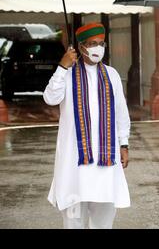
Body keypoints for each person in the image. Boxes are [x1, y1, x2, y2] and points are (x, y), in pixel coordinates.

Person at [44, 23, 131, 229]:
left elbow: (121, 113)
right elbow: (50, 98)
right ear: (81, 47)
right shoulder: (67, 73)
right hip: (74, 163)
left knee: (103, 222)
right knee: (73, 221)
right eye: (92, 44)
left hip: (105, 163)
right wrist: (62, 66)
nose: (97, 48)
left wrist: (124, 144)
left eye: (100, 44)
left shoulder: (112, 74)